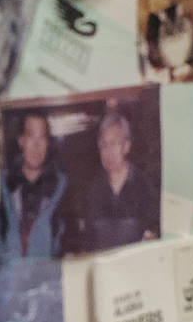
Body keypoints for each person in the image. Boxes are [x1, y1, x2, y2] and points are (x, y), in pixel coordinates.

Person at [65, 104, 154, 252]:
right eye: (103, 145)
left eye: (113, 144)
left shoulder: (144, 186)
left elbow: (154, 236)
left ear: (126, 146)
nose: (107, 152)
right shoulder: (93, 190)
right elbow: (88, 241)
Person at [1, 110, 66, 262]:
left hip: (47, 273)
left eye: (42, 138)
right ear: (21, 141)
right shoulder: (3, 187)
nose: (37, 146)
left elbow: (68, 241)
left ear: (48, 143)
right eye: (31, 136)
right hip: (11, 273)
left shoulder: (61, 187)